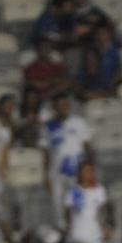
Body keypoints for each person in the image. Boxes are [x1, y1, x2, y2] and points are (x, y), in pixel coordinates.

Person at [42, 91, 93, 229]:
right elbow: (45, 152)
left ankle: (79, 229)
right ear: (54, 107)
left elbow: (87, 147)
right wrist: (45, 175)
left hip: (76, 170)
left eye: (65, 104)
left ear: (69, 106)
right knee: (59, 204)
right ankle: (62, 231)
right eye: (59, 105)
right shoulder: (48, 126)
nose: (62, 107)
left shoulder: (79, 122)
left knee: (78, 202)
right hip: (57, 172)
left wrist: (89, 169)